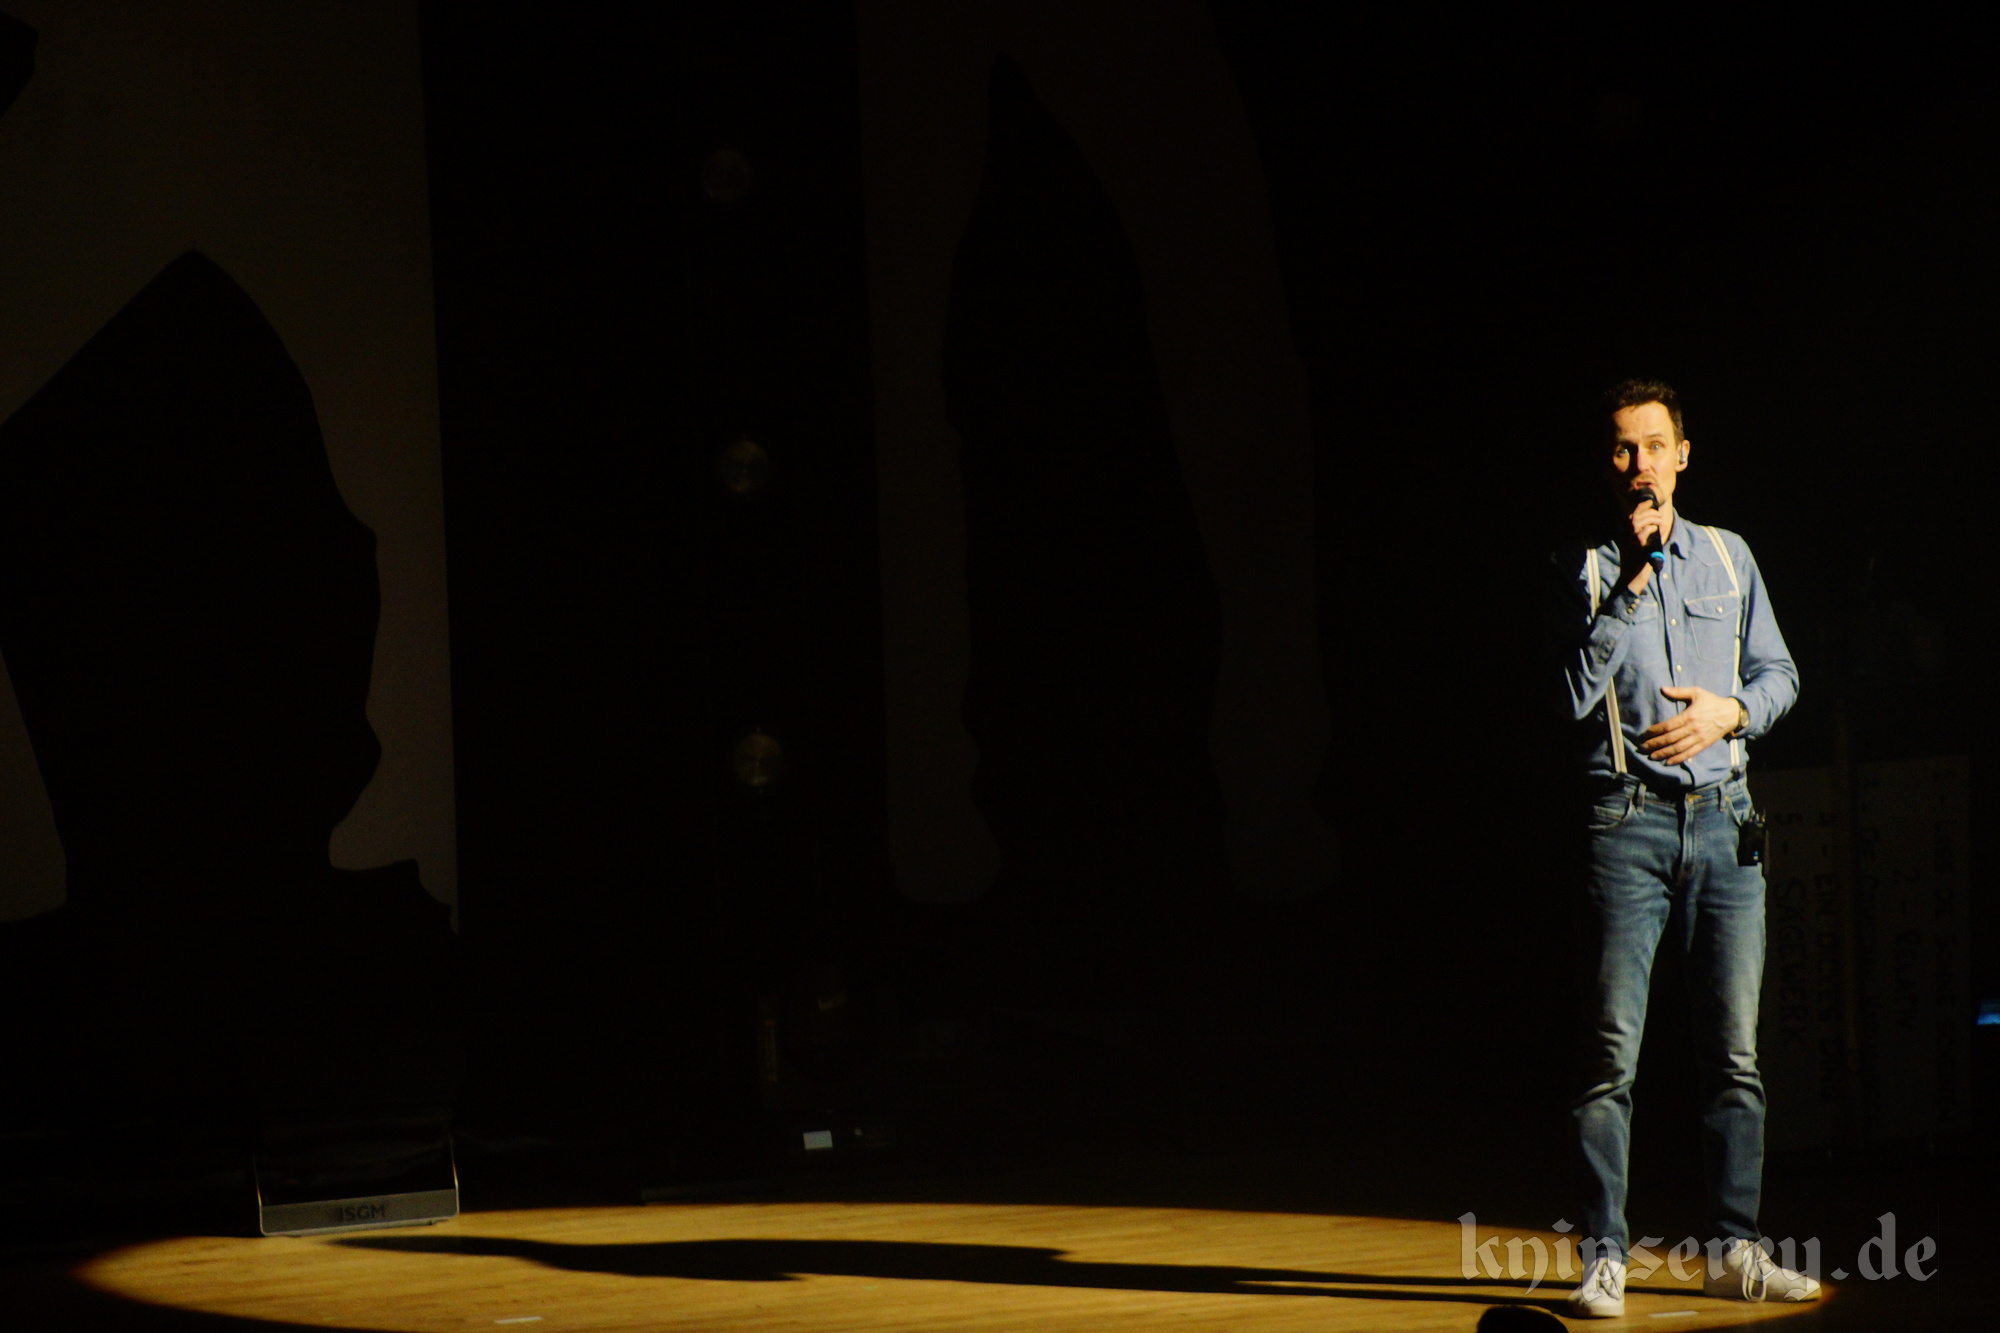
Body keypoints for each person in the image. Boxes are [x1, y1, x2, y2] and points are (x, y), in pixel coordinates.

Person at [1548, 380, 1816, 1318]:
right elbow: (1569, 696)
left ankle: (1735, 1248)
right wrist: (1631, 582)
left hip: (1725, 820)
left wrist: (1729, 712)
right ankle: (1603, 1255)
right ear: (1609, 464)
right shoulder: (1582, 567)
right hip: (1625, 827)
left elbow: (1780, 672)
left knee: (1734, 1055)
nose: (1641, 464)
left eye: (1655, 445)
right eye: (1624, 448)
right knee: (1609, 1056)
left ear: (1683, 456)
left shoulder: (1731, 558)